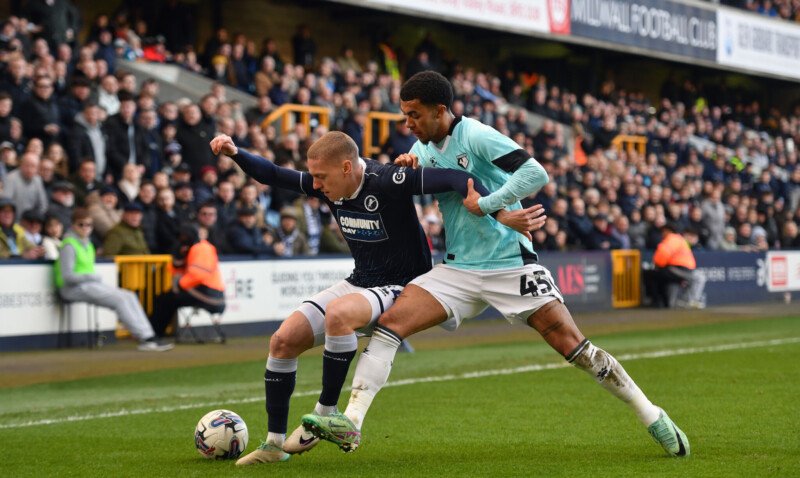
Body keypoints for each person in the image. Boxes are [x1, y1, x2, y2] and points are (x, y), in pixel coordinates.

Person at [304, 71, 690, 458]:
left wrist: (490, 206)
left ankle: (651, 414)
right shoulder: (423, 148)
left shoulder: (476, 135)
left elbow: (535, 172)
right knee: (390, 326)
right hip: (459, 268)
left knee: (574, 346)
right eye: (405, 115)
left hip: (510, 263)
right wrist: (408, 163)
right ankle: (351, 422)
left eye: (414, 115)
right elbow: (423, 180)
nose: (408, 124)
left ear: (441, 111)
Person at [209, 132, 543, 466]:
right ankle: (273, 445)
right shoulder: (324, 183)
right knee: (282, 340)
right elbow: (272, 174)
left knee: (339, 315)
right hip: (361, 281)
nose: (315, 184)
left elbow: (460, 178)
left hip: (404, 285)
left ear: (345, 167)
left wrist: (498, 212)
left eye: (321, 177)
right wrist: (236, 152)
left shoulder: (387, 180)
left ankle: (327, 413)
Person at [54, 208, 173, 351]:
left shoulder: (87, 244)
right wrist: (91, 277)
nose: (85, 228)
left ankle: (150, 335)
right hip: (72, 288)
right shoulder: (69, 245)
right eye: (81, 224)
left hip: (88, 284)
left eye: (89, 225)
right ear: (73, 225)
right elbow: (67, 276)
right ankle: (145, 338)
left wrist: (91, 278)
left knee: (129, 295)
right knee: (120, 300)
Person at [150, 224, 225, 337]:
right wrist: (179, 259)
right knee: (167, 298)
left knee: (166, 299)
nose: (181, 240)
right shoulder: (193, 248)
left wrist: (179, 284)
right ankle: (156, 332)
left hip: (211, 295)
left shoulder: (201, 248)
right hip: (208, 293)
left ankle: (154, 333)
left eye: (183, 236)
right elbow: (174, 269)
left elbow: (198, 275)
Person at [644, 222, 699, 309]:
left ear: (667, 231)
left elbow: (663, 253)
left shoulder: (672, 238)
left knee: (650, 274)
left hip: (678, 268)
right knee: (672, 281)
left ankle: (653, 300)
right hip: (683, 268)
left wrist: (658, 265)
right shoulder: (680, 239)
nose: (662, 234)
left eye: (663, 232)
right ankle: (671, 302)